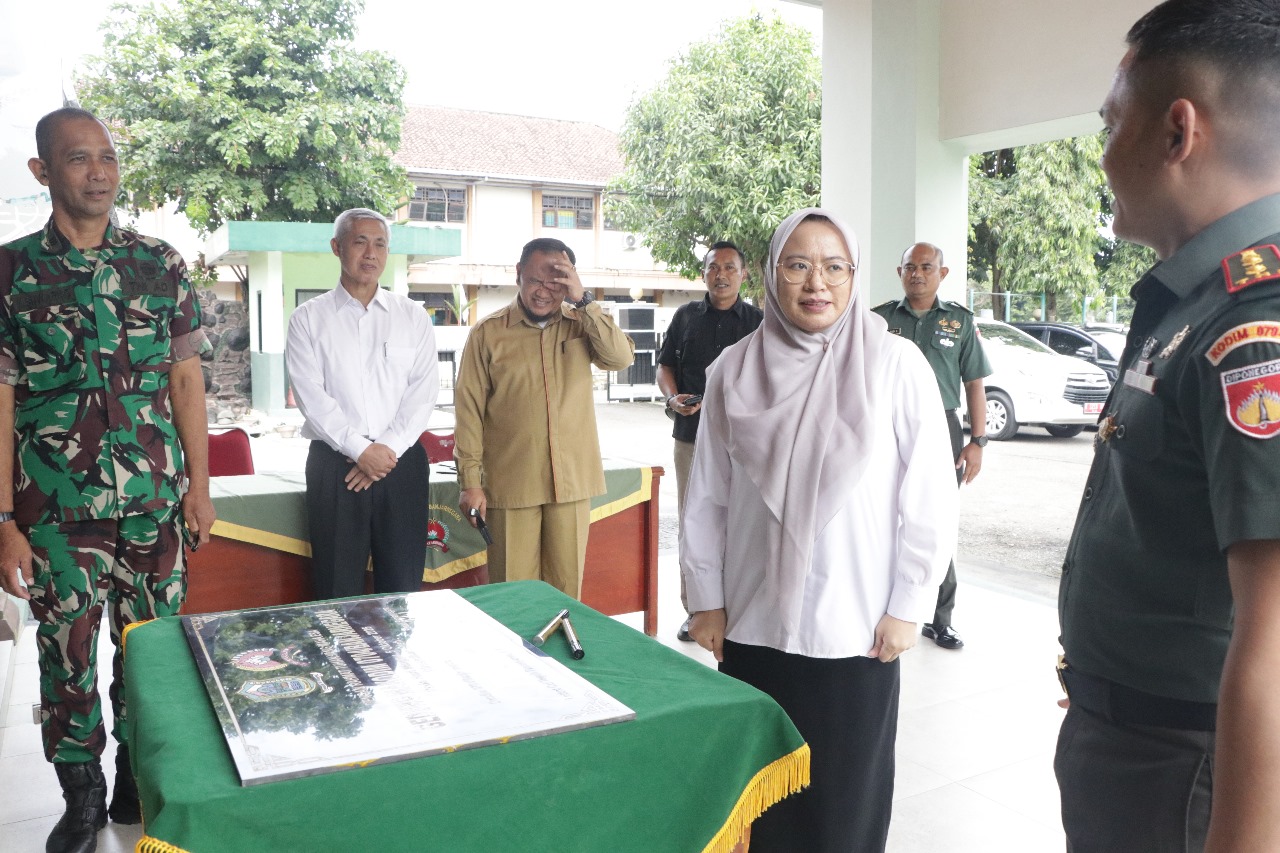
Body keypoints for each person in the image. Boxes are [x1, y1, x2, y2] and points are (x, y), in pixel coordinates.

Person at [1054, 1, 1280, 850]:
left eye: (1113, 121)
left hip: (1187, 771)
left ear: (1177, 131)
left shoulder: (1256, 323)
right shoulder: (1201, 302)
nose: (1103, 152)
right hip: (1140, 742)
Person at [682, 209, 957, 851]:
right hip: (753, 620)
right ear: (773, 274)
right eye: (798, 265)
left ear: (854, 276)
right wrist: (706, 601)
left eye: (834, 266)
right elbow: (708, 498)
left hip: (856, 627)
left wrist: (909, 606)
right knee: (761, 798)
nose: (817, 283)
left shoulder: (895, 363)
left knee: (845, 802)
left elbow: (929, 495)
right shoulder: (732, 369)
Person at [0, 107, 214, 853]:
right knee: (67, 657)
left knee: (152, 651)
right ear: (43, 172)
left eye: (108, 156)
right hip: (57, 511)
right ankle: (81, 794)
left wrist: (199, 486)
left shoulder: (159, 263)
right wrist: (2, 521)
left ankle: (135, 778)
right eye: (79, 158)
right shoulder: (11, 271)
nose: (99, 171)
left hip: (155, 504)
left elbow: (187, 383)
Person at [454, 237, 633, 598]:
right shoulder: (488, 334)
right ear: (518, 274)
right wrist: (470, 481)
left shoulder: (582, 324)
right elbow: (469, 412)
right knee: (513, 595)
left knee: (565, 593)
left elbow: (620, 358)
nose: (543, 292)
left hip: (570, 485)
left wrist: (584, 301)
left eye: (556, 282)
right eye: (536, 280)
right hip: (511, 483)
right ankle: (512, 657)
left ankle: (558, 657)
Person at [286, 208, 439, 600]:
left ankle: (397, 664)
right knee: (337, 588)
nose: (370, 253)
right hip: (336, 466)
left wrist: (383, 451)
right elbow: (311, 398)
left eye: (380, 244)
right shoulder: (307, 319)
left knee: (402, 588)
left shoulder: (413, 317)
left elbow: (423, 392)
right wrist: (360, 450)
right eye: (360, 241)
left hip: (400, 463)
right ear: (337, 247)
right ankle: (339, 661)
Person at [872, 243, 991, 650]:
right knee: (881, 513)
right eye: (909, 267)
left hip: (942, 426)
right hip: (882, 423)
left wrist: (977, 441)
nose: (917, 274)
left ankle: (940, 618)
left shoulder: (959, 321)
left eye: (926, 267)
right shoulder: (879, 319)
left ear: (943, 273)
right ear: (899, 271)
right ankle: (882, 602)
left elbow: (975, 383)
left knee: (934, 519)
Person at [655, 240, 763, 641]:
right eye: (713, 267)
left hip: (744, 443)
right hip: (691, 437)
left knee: (742, 523)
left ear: (743, 274)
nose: (721, 274)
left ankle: (739, 608)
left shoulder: (758, 321)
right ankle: (696, 610)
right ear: (703, 274)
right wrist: (671, 398)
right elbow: (665, 365)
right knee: (694, 521)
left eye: (730, 268)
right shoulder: (685, 317)